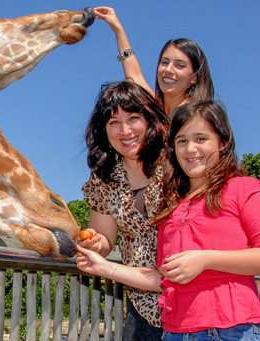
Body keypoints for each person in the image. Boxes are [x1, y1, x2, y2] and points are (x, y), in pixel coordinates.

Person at [76, 100, 260, 339]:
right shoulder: (171, 209)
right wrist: (104, 267)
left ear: (223, 142)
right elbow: (162, 277)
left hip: (230, 329)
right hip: (175, 332)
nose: (191, 149)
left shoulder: (243, 188)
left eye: (201, 139)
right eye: (182, 141)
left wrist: (206, 259)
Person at [80, 80, 170, 339]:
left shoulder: (176, 163)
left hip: (189, 300)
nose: (125, 130)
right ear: (104, 130)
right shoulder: (104, 178)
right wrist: (95, 244)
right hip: (142, 305)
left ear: (150, 120)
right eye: (113, 122)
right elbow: (104, 238)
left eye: (133, 118)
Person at [94, 7, 214, 115]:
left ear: (195, 77)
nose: (168, 70)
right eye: (165, 62)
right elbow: (135, 76)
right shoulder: (158, 110)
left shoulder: (196, 116)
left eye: (179, 65)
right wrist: (117, 29)